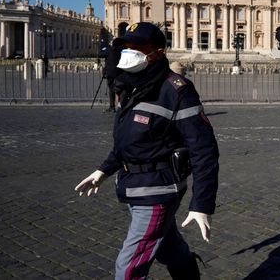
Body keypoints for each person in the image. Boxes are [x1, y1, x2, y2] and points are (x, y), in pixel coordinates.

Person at [74, 22, 220, 280]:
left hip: (157, 191)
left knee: (128, 267)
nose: (130, 52)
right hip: (133, 185)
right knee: (169, 248)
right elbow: (129, 142)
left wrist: (202, 204)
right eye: (127, 47)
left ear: (158, 52)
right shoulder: (130, 86)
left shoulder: (176, 91)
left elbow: (204, 150)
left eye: (138, 48)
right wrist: (104, 170)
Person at [102, 44, 123, 112]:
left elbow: (100, 54)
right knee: (120, 89)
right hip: (119, 72)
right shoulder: (121, 51)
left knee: (111, 90)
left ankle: (112, 106)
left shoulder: (109, 50)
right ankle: (121, 106)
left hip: (110, 73)